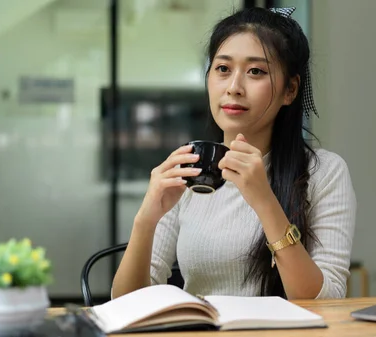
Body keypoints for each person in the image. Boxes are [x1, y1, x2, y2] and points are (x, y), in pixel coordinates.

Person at [111, 7, 356, 300]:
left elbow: (327, 301)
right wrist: (145, 219)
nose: (234, 88)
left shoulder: (324, 172)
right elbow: (126, 303)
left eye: (256, 71)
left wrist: (264, 201)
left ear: (290, 90)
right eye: (223, 69)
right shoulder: (189, 168)